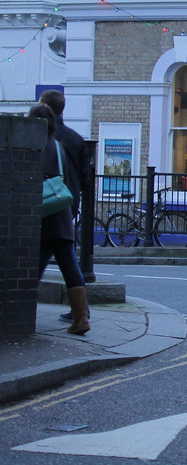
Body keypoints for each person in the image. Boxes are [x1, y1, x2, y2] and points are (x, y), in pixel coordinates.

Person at [29, 104, 91, 335]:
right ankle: (81, 318)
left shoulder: (31, 146)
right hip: (61, 217)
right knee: (70, 268)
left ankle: (18, 316)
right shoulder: (58, 146)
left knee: (31, 271)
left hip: (41, 217)